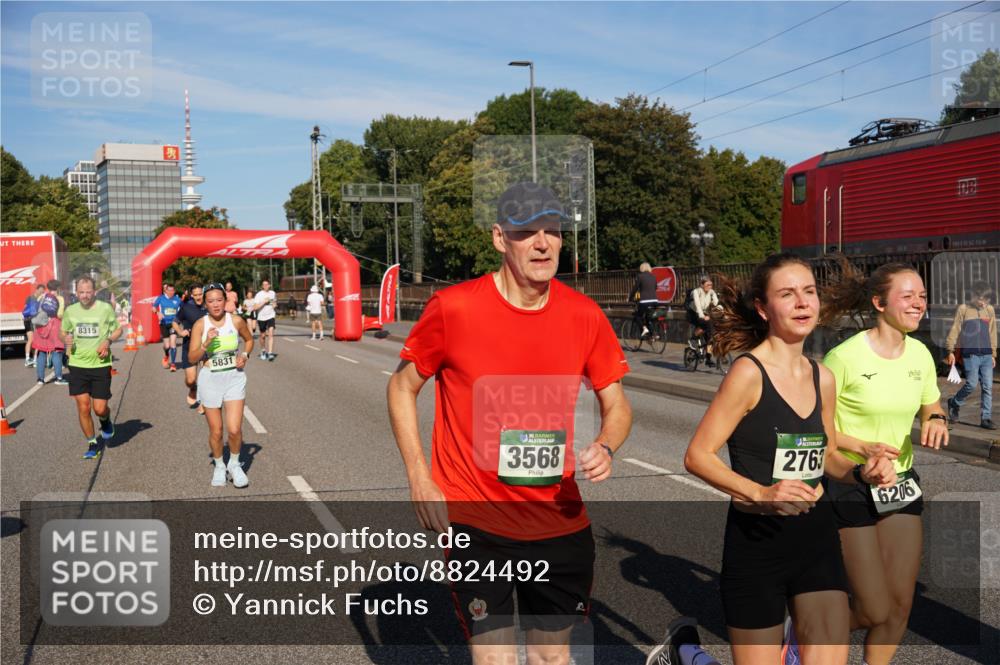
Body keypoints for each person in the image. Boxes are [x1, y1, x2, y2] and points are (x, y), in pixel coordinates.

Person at [387, 182, 633, 665]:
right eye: (527, 232)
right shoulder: (454, 308)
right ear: (501, 239)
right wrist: (420, 478)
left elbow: (618, 404)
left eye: (554, 231)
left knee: (551, 658)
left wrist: (606, 445)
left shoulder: (584, 315)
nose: (543, 243)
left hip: (559, 522)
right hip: (477, 522)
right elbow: (401, 387)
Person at [683, 253, 897, 665]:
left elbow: (829, 454)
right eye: (787, 294)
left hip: (816, 541)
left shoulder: (823, 377)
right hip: (757, 546)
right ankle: (687, 656)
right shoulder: (748, 373)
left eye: (809, 292)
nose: (802, 302)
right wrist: (761, 492)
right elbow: (697, 455)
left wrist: (860, 472)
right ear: (763, 308)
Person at [819, 260, 949, 665]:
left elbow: (932, 403)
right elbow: (818, 431)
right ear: (879, 302)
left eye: (922, 296)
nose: (918, 304)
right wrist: (864, 447)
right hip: (849, 481)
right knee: (873, 607)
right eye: (907, 296)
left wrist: (937, 419)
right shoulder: (844, 358)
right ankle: (807, 632)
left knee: (900, 606)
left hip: (898, 481)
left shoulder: (922, 356)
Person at [187, 283, 254, 488]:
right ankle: (219, 465)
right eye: (210, 301)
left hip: (234, 377)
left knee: (234, 430)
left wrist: (244, 354)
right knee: (216, 431)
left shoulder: (236, 320)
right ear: (205, 304)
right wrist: (206, 343)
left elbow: (249, 340)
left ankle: (234, 464)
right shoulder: (201, 324)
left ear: (226, 301)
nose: (215, 305)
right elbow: (192, 357)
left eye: (219, 300)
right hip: (210, 378)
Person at [60, 276, 122, 460]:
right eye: (81, 292)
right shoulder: (70, 311)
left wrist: (108, 340)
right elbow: (62, 332)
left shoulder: (105, 309)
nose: (85, 295)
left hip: (100, 364)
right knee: (83, 407)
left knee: (100, 408)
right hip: (77, 364)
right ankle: (92, 443)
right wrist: (65, 339)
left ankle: (105, 420)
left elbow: (118, 329)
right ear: (76, 292)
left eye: (88, 292)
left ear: (94, 292)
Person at [945, 281, 996, 430]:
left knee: (988, 387)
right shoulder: (963, 309)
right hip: (970, 355)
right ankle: (954, 402)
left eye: (986, 299)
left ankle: (985, 418)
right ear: (972, 296)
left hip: (986, 355)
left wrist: (993, 353)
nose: (983, 303)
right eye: (980, 299)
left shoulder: (989, 310)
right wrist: (950, 351)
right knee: (971, 384)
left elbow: (992, 333)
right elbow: (955, 329)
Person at [173, 284, 207, 413]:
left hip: (206, 346)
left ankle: (204, 402)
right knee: (190, 379)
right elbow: (175, 322)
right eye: (196, 295)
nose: (199, 297)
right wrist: (180, 332)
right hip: (189, 347)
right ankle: (193, 389)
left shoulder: (208, 306)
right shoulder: (186, 307)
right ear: (192, 295)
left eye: (200, 294)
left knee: (206, 377)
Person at [32, 284, 67, 386]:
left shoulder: (41, 297)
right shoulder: (59, 298)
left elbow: (35, 311)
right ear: (57, 289)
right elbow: (60, 314)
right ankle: (59, 378)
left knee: (42, 352)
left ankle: (40, 379)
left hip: (41, 327)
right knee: (56, 352)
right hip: (54, 326)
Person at [686, 276, 720, 367]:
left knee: (709, 339)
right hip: (693, 313)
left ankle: (708, 359)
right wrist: (702, 316)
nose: (710, 286)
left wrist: (720, 310)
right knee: (707, 325)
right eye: (708, 284)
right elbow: (697, 305)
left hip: (704, 313)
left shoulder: (711, 292)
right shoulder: (696, 292)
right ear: (702, 284)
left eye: (711, 284)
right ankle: (693, 339)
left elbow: (717, 304)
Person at [154, 283, 182, 371]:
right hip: (163, 323)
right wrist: (158, 313)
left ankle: (173, 364)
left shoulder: (177, 299)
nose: (171, 292)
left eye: (172, 290)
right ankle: (166, 355)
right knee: (167, 345)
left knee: (173, 343)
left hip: (174, 323)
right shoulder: (161, 298)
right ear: (166, 290)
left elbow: (184, 309)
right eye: (169, 290)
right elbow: (153, 307)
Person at [631, 262, 659, 337]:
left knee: (637, 316)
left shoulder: (640, 276)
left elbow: (635, 288)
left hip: (644, 301)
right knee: (648, 317)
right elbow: (656, 287)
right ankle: (653, 334)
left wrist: (631, 297)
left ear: (641, 268)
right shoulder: (653, 276)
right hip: (654, 301)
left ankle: (644, 328)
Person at [22, 284, 45, 367]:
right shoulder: (35, 298)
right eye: (41, 291)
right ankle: (31, 359)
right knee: (33, 340)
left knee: (33, 340)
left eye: (43, 291)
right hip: (31, 320)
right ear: (37, 289)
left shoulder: (31, 298)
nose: (41, 292)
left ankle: (31, 359)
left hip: (29, 320)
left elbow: (25, 309)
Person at [254, 280, 277, 361]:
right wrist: (264, 302)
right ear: (262, 286)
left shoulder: (272, 293)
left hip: (271, 315)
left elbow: (274, 302)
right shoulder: (258, 295)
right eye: (264, 285)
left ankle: (270, 353)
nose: (265, 286)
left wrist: (274, 305)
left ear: (269, 285)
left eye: (267, 284)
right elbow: (255, 307)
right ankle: (263, 350)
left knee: (271, 333)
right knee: (263, 336)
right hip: (261, 317)